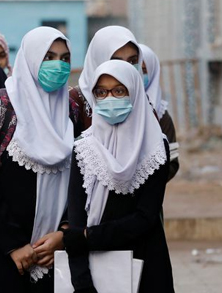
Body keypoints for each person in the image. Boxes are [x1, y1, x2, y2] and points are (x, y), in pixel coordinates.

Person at [0, 27, 75, 293]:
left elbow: (81, 181)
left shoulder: (70, 112)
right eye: (48, 57)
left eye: (64, 58)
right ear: (31, 59)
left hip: (53, 257)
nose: (58, 65)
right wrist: (13, 245)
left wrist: (63, 234)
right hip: (0, 253)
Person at [64, 60, 175, 293]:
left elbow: (145, 217)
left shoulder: (154, 147)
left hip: (146, 267)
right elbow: (77, 221)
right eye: (102, 92)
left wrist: (87, 237)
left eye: (119, 90)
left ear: (134, 93)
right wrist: (82, 282)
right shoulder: (84, 148)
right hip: (95, 270)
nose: (110, 98)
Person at [70, 25, 142, 136]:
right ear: (97, 61)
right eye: (116, 61)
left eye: (132, 61)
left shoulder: (143, 103)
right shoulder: (74, 104)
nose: (126, 68)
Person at [140, 44, 179, 181]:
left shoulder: (161, 114)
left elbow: (172, 162)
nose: (138, 73)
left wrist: (147, 184)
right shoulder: (113, 109)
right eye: (133, 67)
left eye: (144, 70)